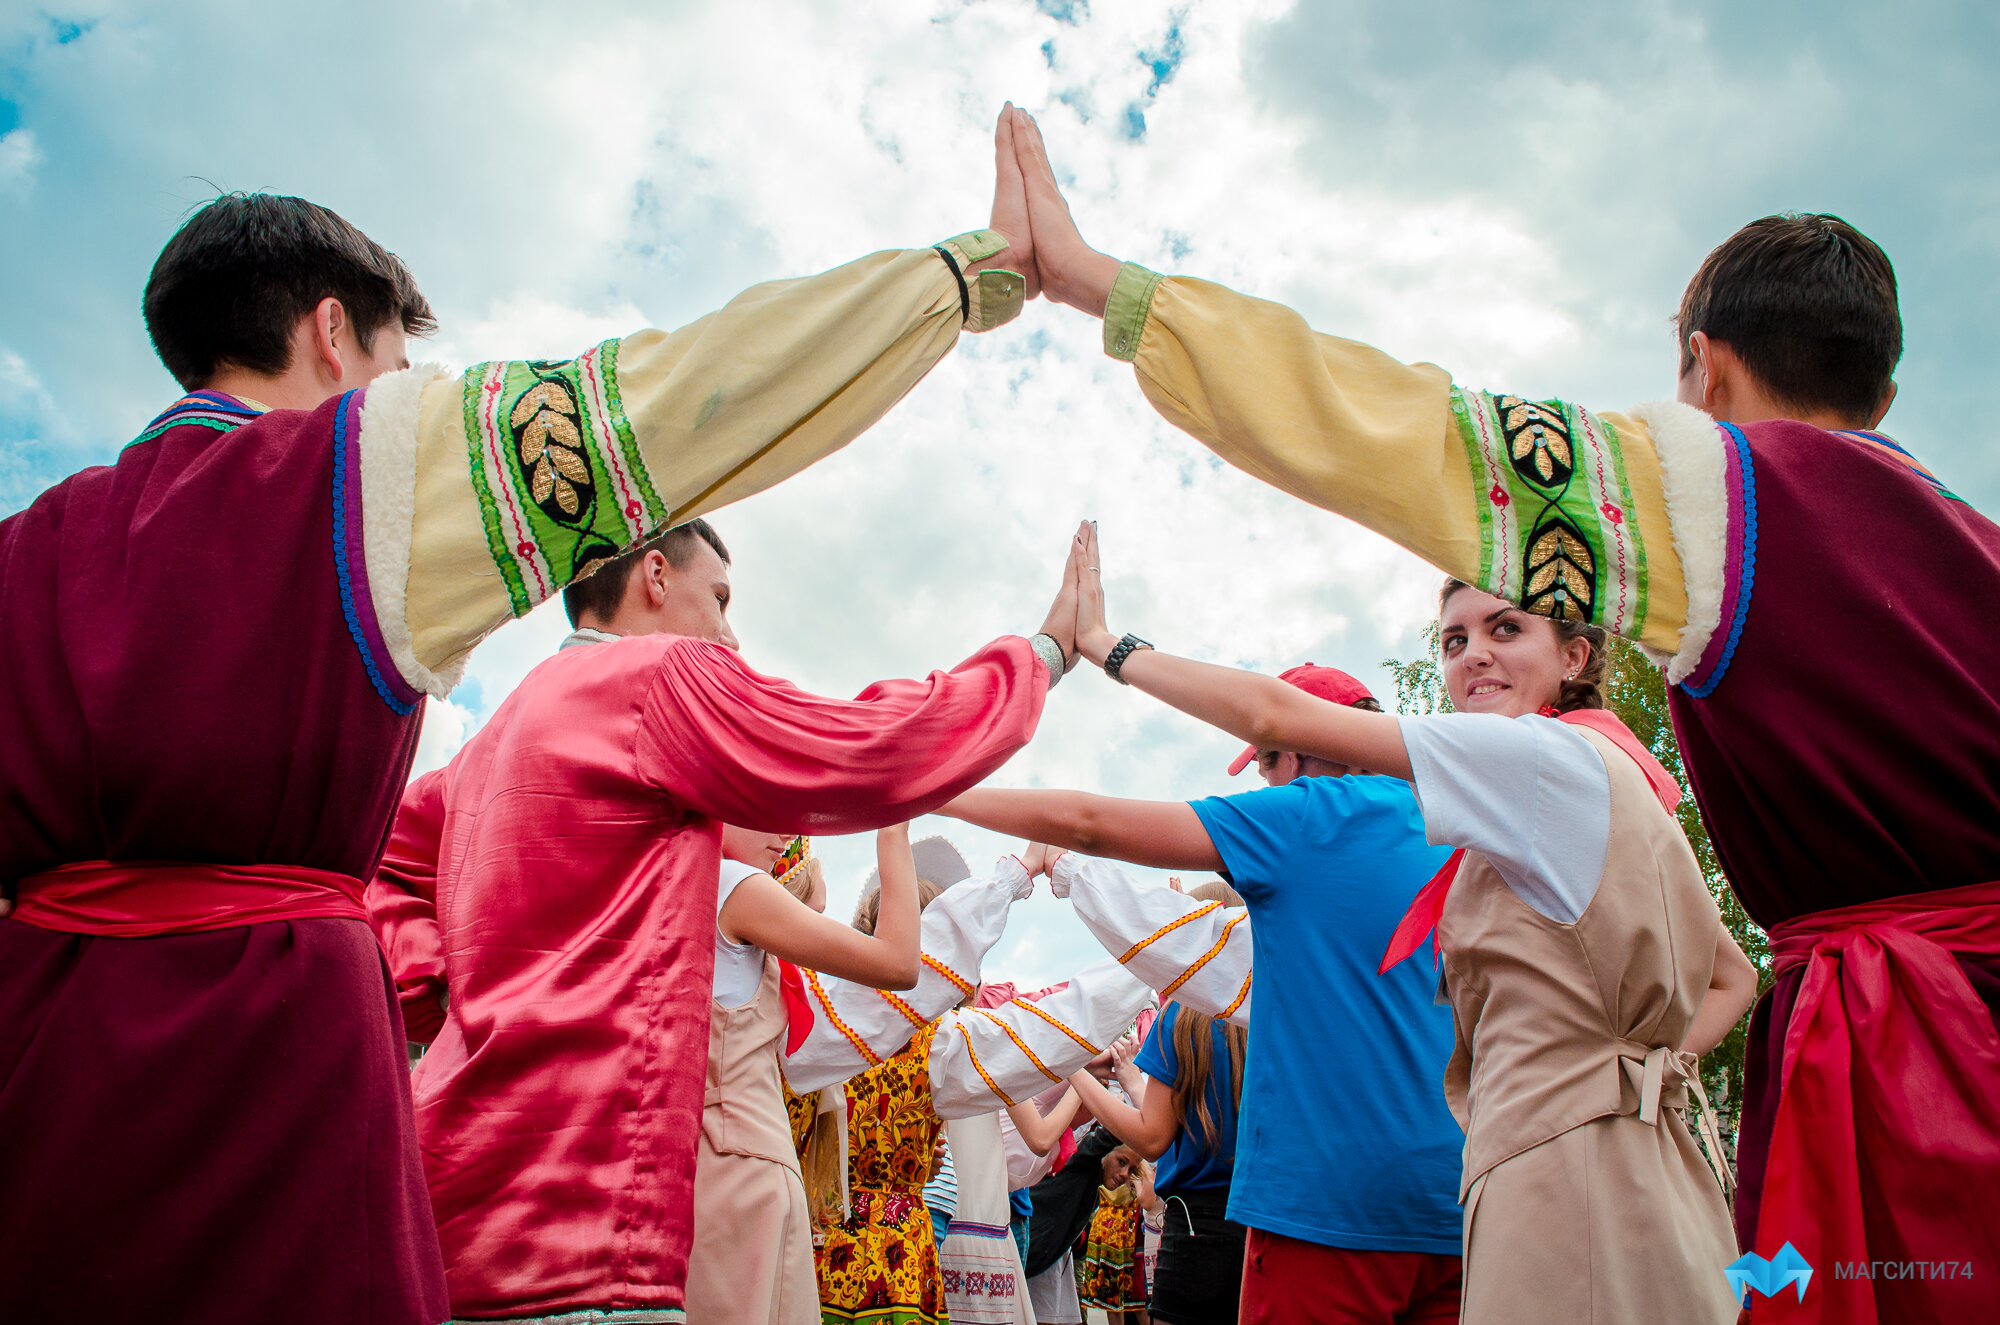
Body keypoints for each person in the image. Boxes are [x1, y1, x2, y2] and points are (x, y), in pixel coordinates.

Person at [0, 103, 1047, 1322]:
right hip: (266, 1051)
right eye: (395, 368)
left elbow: (405, 855)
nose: (396, 392)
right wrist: (963, 279)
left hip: (39, 1058)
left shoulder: (29, 547)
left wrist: (445, 983)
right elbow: (679, 399)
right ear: (334, 336)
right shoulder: (351, 475)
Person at [1005, 105, 2000, 1321]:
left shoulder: (1726, 501)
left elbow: (1392, 428)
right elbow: (1717, 973)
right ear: (1885, 387)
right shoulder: (1969, 552)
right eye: (1453, 639)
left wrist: (1099, 286)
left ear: (1708, 368)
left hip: (1896, 1062)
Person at [1031, 526, 1760, 1323]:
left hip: (1375, 1197)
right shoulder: (1583, 784)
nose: (1474, 654)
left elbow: (1129, 810)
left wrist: (1103, 647)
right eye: (1455, 640)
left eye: (1505, 628)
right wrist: (1624, 1079)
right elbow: (1733, 974)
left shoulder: (1427, 790)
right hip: (1502, 1188)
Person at [365, 516, 1083, 1323]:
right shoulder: (655, 679)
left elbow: (384, 874)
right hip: (600, 1206)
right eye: (720, 598)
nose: (731, 637)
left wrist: (457, 990)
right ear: (656, 577)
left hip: (468, 1185)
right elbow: (864, 743)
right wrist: (1040, 658)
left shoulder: (488, 743)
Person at [943, 671, 1467, 1324]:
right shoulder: (1458, 830)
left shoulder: (1311, 820)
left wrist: (946, 794)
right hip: (1456, 1202)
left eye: (1270, 758)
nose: (1268, 782)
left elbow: (1104, 838)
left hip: (1325, 1207)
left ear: (1302, 748)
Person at [816, 860, 1153, 1325]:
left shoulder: (829, 1018)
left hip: (831, 1240)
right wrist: (1152, 960)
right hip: (908, 1243)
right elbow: (1050, 1032)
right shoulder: (946, 1038)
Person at [1066, 880, 1250, 1325]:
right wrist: (1130, 1075)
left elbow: (1152, 1137)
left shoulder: (1182, 1017)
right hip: (1264, 1226)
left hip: (1193, 1229)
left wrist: (1067, 1064)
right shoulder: (1268, 1006)